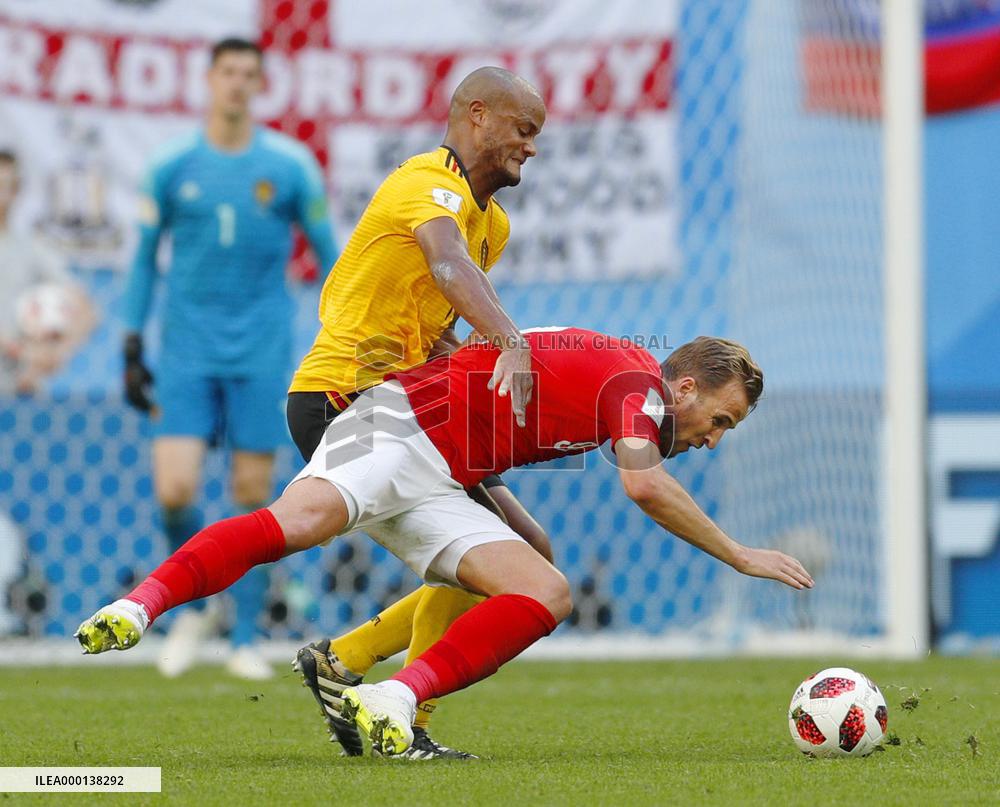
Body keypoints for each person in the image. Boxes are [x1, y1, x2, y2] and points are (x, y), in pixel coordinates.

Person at [76, 329, 814, 758]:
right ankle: (141, 605)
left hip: (446, 478)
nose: (714, 440)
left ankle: (389, 697)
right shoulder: (638, 383)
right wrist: (742, 554)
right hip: (396, 429)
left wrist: (513, 518)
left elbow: (496, 425)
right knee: (295, 524)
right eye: (721, 420)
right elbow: (645, 487)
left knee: (542, 586)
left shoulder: (628, 384)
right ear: (684, 388)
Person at [284, 66, 551, 759]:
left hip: (405, 406)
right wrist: (510, 340)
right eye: (524, 130)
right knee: (499, 555)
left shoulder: (494, 225)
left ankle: (343, 660)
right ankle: (408, 716)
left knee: (527, 554)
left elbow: (433, 322)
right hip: (343, 397)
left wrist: (465, 363)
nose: (531, 147)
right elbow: (447, 265)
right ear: (479, 116)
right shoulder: (425, 184)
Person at [120, 38, 337, 680]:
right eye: (228, 73)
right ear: (209, 80)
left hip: (262, 351)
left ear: (261, 85)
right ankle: (197, 605)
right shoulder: (171, 165)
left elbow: (333, 260)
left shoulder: (290, 166)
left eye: (250, 74)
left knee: (251, 492)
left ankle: (243, 637)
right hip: (185, 350)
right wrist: (131, 343)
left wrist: (342, 334)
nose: (238, 84)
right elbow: (141, 262)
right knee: (174, 488)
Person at [0, 150, 96, 395]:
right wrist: (15, 348)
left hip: (19, 389)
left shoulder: (32, 248)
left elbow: (84, 307)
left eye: (5, 185)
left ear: (17, 189)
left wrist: (56, 353)